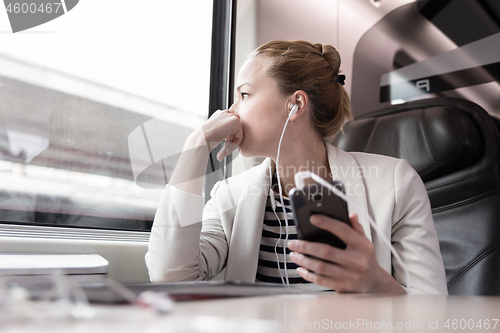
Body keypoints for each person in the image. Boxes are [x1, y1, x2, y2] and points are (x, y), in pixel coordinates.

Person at [145, 40, 448, 295]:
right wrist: (195, 148)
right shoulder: (230, 196)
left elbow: (435, 316)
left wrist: (376, 284)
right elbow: (170, 277)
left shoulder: (395, 183)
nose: (228, 112)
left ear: (296, 105)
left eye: (244, 95)